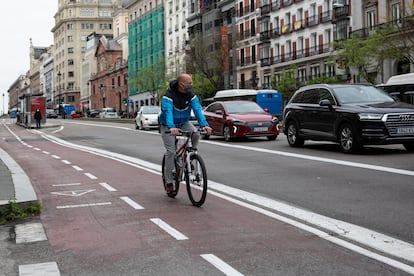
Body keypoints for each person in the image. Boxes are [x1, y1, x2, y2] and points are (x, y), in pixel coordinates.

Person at [159, 74, 212, 196]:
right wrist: (171, 127)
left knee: (196, 133)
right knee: (171, 152)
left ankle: (191, 154)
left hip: (183, 122)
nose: (191, 85)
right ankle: (169, 182)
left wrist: (204, 124)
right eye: (189, 83)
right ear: (181, 84)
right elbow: (168, 112)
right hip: (167, 125)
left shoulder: (191, 95)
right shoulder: (168, 96)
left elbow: (198, 109)